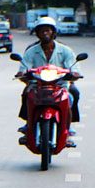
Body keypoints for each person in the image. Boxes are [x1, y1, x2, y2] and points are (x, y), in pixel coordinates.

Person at [17, 16, 82, 147]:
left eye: (48, 30)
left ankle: (67, 129)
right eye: (42, 31)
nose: (45, 33)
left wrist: (74, 73)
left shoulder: (65, 50)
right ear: (37, 34)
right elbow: (24, 68)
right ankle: (28, 126)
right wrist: (22, 74)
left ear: (53, 32)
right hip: (38, 86)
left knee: (73, 94)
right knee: (26, 94)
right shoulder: (31, 51)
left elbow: (73, 67)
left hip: (60, 86)